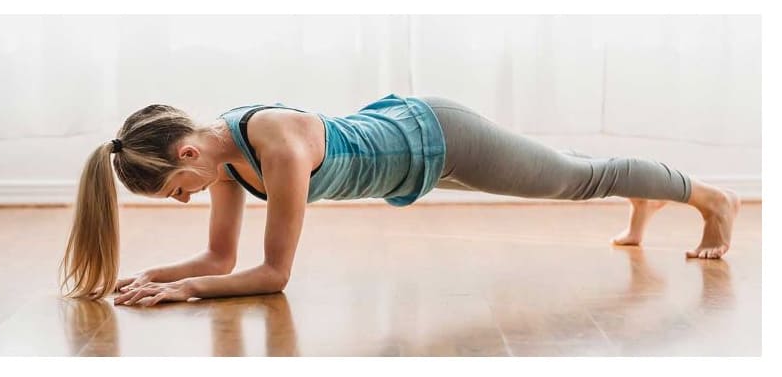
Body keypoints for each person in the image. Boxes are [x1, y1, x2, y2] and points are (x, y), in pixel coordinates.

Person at [61, 94, 740, 307]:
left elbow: (274, 276)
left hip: (440, 137)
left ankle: (711, 198)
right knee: (576, 173)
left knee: (573, 177)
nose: (187, 200)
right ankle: (644, 199)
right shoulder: (225, 160)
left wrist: (191, 294)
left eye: (180, 191)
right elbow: (219, 254)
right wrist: (157, 275)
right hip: (410, 161)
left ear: (186, 155)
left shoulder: (276, 148)